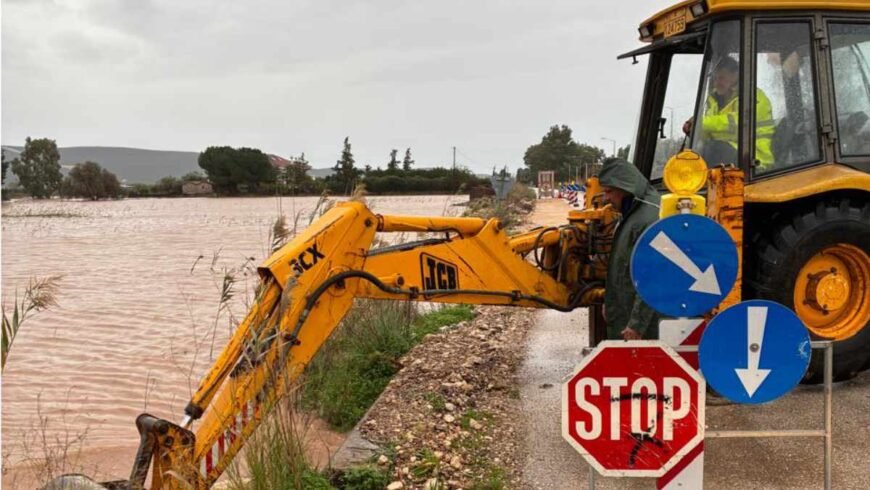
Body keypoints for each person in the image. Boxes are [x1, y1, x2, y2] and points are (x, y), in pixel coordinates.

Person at [598, 158, 661, 340]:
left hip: (643, 328)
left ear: (625, 188)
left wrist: (636, 325)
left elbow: (651, 276)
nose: (605, 198)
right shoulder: (632, 214)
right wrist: (609, 303)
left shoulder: (647, 219)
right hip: (625, 314)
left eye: (609, 191)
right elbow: (621, 267)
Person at [683, 56, 775, 169]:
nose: (717, 83)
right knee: (691, 155)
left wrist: (701, 123)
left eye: (721, 78)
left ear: (735, 76)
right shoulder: (714, 102)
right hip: (729, 155)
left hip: (754, 158)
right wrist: (695, 130)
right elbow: (711, 133)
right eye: (715, 79)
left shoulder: (753, 97)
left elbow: (737, 123)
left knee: (714, 149)